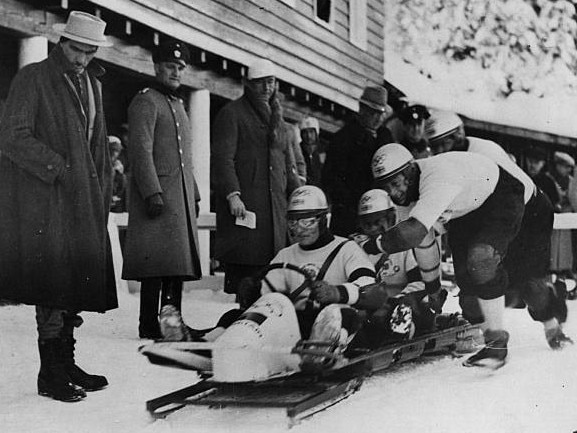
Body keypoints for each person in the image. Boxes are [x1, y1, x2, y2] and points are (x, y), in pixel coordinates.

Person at [363, 143, 571, 368]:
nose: (394, 193)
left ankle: (545, 328)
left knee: (486, 263)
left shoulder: (436, 177)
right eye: (387, 187)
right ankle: (493, 344)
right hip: (465, 213)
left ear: (411, 170)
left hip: (501, 195)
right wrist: (433, 290)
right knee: (470, 300)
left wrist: (371, 246)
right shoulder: (408, 200)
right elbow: (425, 246)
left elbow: (412, 234)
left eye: (395, 183)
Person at [0, 11, 116, 402]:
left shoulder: (93, 86)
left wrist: (101, 190)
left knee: (77, 282)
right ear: (60, 43)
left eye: (89, 52)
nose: (82, 59)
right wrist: (60, 168)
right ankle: (49, 373)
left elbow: (97, 144)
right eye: (76, 50)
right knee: (52, 284)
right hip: (47, 200)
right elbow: (13, 136)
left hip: (85, 201)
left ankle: (66, 362)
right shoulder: (33, 78)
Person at [425, 110, 569, 347]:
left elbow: (513, 200)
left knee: (529, 286)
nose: (442, 151)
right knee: (470, 293)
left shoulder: (486, 153)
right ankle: (492, 341)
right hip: (482, 214)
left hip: (527, 212)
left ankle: (552, 324)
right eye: (435, 146)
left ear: (460, 134)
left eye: (446, 143)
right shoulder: (445, 163)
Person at [122, 40, 202, 339]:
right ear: (157, 67)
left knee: (176, 265)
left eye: (180, 68)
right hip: (157, 197)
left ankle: (174, 322)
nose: (176, 72)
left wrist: (192, 193)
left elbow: (186, 157)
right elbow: (140, 151)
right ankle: (148, 323)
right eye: (171, 66)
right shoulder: (146, 100)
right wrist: (151, 192)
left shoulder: (179, 105)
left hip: (178, 197)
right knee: (154, 265)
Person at [211, 58, 301, 300]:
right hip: (247, 214)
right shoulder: (232, 114)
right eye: (260, 83)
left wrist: (300, 199)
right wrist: (233, 194)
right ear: (248, 84)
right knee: (247, 281)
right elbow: (223, 160)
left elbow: (289, 167)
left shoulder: (279, 121)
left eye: (270, 82)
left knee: (275, 280)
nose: (266, 88)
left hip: (276, 216)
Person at [352, 189, 445, 346]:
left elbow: (421, 282)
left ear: (391, 218)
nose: (373, 228)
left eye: (378, 221)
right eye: (368, 224)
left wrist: (398, 299)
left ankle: (401, 331)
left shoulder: (406, 247)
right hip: (370, 306)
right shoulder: (355, 247)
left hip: (400, 303)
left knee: (407, 307)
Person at [321, 85, 393, 237]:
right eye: (373, 112)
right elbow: (330, 179)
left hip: (380, 216)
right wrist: (355, 204)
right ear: (362, 109)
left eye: (381, 113)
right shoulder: (343, 138)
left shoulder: (386, 137)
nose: (378, 118)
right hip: (350, 217)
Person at [298, 116, 324, 186]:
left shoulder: (324, 150)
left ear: (316, 133)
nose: (308, 136)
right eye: (305, 132)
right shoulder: (297, 150)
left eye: (311, 132)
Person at [108, 135, 127, 213]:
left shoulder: (118, 165)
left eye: (117, 151)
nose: (115, 154)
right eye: (113, 150)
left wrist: (120, 174)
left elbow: (120, 189)